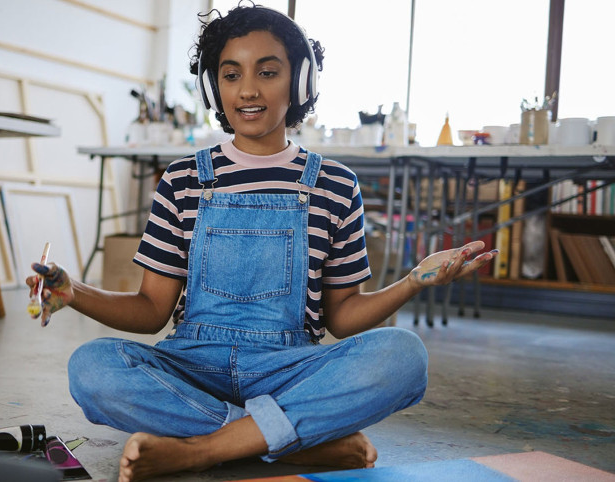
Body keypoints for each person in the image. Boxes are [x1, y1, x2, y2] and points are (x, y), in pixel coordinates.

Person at [27, 4, 495, 482]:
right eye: (231, 75)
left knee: (404, 356)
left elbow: (342, 317)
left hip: (290, 365)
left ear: (300, 84)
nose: (247, 90)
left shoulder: (335, 184)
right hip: (194, 364)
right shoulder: (183, 179)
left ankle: (201, 449)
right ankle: (284, 442)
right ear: (214, 87)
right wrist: (74, 292)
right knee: (92, 368)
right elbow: (151, 311)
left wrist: (415, 281)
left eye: (267, 72)